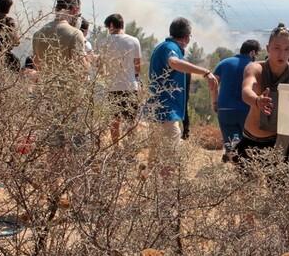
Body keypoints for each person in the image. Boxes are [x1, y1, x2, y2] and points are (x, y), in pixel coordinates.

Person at [236, 23, 289, 164]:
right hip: (250, 140)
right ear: (268, 49)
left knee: (278, 186)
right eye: (277, 48)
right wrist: (257, 101)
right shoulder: (255, 69)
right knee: (244, 186)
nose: (281, 54)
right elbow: (246, 90)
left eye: (286, 49)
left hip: (279, 145)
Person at [146, 17, 218, 169]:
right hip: (166, 112)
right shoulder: (170, 47)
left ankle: (152, 190)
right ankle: (166, 190)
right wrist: (205, 72)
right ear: (187, 37)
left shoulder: (165, 46)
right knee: (171, 160)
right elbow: (173, 62)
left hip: (159, 110)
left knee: (156, 157)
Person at [211, 39, 261, 161]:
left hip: (225, 108)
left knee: (230, 138)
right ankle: (244, 163)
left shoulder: (224, 63)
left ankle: (231, 152)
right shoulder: (255, 67)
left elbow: (213, 83)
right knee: (248, 139)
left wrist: (215, 101)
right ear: (252, 53)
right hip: (247, 109)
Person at [97, 14, 142, 147]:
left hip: (112, 86)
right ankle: (129, 149)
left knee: (114, 121)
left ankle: (116, 147)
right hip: (130, 85)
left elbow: (99, 67)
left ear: (110, 25)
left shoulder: (103, 42)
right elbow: (138, 66)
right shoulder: (134, 41)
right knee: (131, 121)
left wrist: (106, 76)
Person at [32, 0, 88, 74]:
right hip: (67, 86)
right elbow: (82, 70)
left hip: (44, 85)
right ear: (75, 10)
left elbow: (36, 64)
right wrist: (89, 61)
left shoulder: (38, 34)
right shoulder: (75, 34)